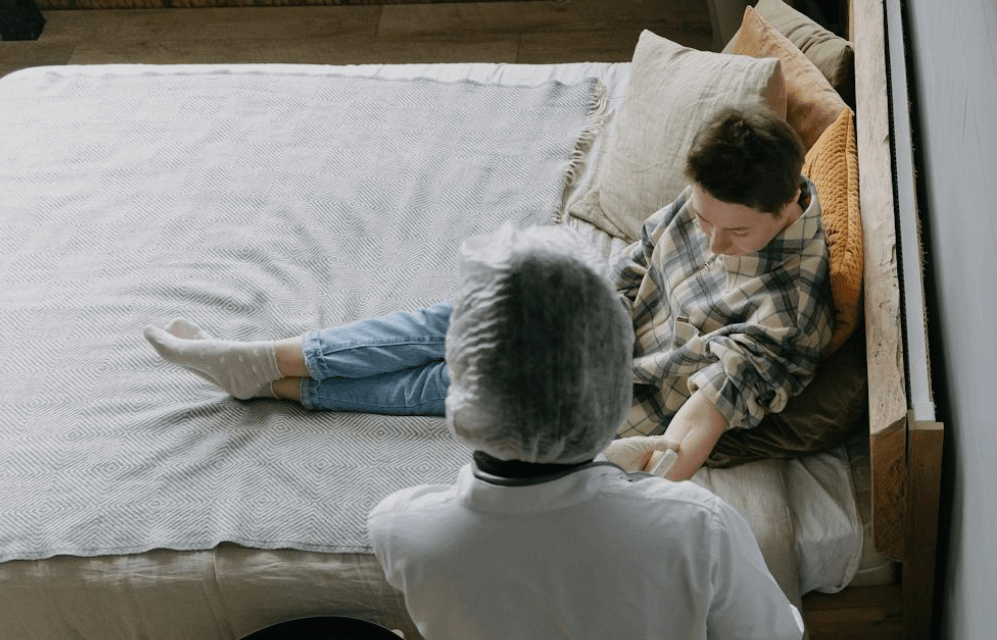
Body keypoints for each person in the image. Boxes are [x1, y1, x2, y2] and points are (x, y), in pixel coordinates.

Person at [366, 221, 806, 640]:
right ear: (605, 387)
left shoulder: (402, 528)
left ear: (463, 382)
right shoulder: (693, 525)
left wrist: (598, 475)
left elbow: (535, 552)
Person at [145, 106, 833, 483]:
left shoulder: (785, 314)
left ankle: (271, 385)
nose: (712, 242)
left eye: (734, 234)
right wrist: (585, 308)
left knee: (456, 378)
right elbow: (641, 257)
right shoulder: (719, 198)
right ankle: (264, 357)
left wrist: (642, 472)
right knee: (470, 312)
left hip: (606, 392)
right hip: (598, 321)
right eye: (704, 220)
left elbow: (695, 430)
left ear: (785, 204)